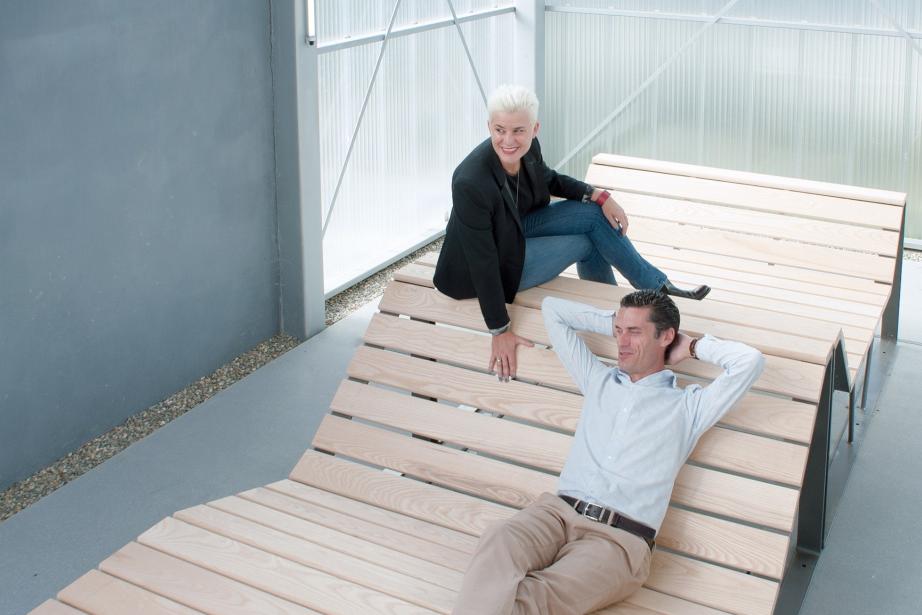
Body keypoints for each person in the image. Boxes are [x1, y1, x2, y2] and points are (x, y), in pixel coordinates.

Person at [451, 290, 764, 615]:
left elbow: (749, 362)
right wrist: (620, 324)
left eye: (635, 332)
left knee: (532, 596)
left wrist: (693, 346)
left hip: (618, 541)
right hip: (556, 514)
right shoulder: (597, 379)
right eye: (618, 331)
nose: (622, 343)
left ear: (666, 336)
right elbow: (554, 309)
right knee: (499, 541)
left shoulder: (689, 407)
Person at [434, 84, 710, 384]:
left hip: (517, 229)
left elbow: (549, 179)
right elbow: (482, 260)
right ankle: (624, 322)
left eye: (518, 131)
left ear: (534, 129)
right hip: (487, 268)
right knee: (586, 242)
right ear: (489, 127)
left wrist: (598, 195)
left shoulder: (529, 150)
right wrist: (499, 330)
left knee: (593, 214)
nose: (509, 140)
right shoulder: (470, 181)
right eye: (499, 130)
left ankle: (658, 291)